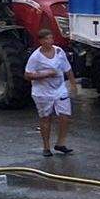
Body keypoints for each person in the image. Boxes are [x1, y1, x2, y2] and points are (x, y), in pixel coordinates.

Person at [23, 29, 75, 157]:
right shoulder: (35, 57)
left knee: (64, 116)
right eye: (46, 39)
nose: (49, 41)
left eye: (51, 38)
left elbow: (67, 68)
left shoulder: (58, 51)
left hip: (59, 89)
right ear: (41, 41)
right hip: (43, 92)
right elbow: (27, 75)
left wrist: (73, 84)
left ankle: (60, 143)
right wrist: (44, 74)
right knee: (46, 118)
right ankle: (46, 146)